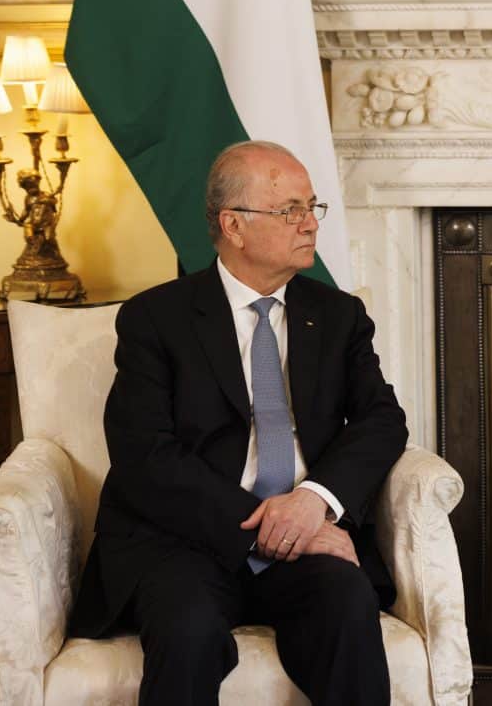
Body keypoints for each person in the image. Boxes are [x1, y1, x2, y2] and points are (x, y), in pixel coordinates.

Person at [68, 141, 409, 706]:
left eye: (312, 207)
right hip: (184, 541)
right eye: (290, 210)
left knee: (348, 603)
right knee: (187, 631)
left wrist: (314, 503)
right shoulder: (156, 318)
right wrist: (266, 525)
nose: (310, 224)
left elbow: (382, 419)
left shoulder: (337, 315)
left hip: (306, 536)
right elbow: (145, 454)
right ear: (234, 225)